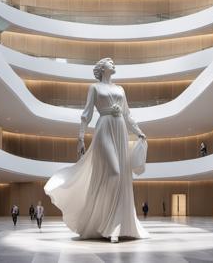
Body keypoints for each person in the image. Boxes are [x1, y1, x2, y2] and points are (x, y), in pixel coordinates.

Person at [45, 58, 149, 243]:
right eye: (109, 62)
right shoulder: (94, 88)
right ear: (102, 68)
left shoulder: (120, 89)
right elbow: (86, 114)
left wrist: (139, 132)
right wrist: (80, 137)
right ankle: (109, 223)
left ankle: (115, 224)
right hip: (104, 129)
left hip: (120, 130)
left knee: (122, 177)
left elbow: (127, 115)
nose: (113, 63)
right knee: (115, 173)